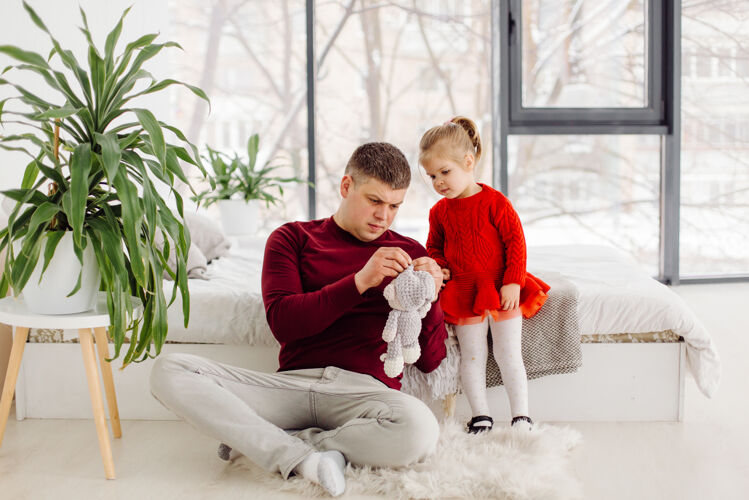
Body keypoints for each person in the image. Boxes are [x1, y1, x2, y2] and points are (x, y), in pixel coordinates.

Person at [150, 142, 448, 497]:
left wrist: (432, 293)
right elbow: (284, 323)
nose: (384, 216)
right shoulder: (292, 239)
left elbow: (430, 361)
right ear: (346, 187)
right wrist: (359, 281)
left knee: (420, 431)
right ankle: (300, 456)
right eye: (374, 201)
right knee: (169, 371)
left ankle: (282, 443)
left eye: (394, 206)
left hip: (365, 395)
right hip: (290, 388)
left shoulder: (409, 253)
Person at [419, 116, 549, 434]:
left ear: (468, 161)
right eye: (432, 176)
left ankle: (521, 416)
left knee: (508, 353)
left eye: (444, 172)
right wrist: (439, 264)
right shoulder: (439, 212)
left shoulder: (495, 203)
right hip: (464, 292)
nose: (438, 182)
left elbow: (515, 242)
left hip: (501, 288)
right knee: (473, 357)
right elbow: (433, 246)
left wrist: (513, 282)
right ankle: (481, 415)